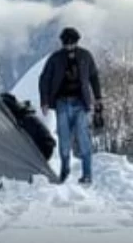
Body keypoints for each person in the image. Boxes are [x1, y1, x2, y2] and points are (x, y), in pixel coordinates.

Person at [38, 26, 103, 184]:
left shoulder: (85, 56)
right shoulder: (55, 58)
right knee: (64, 142)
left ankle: (87, 175)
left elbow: (94, 77)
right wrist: (45, 102)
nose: (69, 47)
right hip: (62, 103)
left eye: (72, 44)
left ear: (77, 42)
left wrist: (98, 98)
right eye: (66, 44)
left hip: (81, 104)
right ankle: (64, 172)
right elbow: (44, 79)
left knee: (84, 140)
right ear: (62, 43)